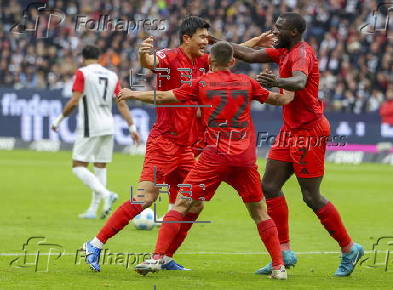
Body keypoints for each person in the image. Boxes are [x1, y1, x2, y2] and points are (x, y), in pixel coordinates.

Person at [81, 16, 271, 272]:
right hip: (165, 142)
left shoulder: (205, 61)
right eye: (202, 37)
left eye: (207, 38)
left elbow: (225, 52)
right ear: (186, 38)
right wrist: (143, 56)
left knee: (195, 202)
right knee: (145, 198)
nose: (206, 42)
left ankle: (166, 256)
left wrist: (256, 42)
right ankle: (95, 243)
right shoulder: (169, 57)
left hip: (188, 148)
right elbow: (151, 62)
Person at [118, 41, 295, 280]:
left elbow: (166, 96)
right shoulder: (247, 82)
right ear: (233, 62)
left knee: (181, 204)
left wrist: (133, 93)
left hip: (214, 157)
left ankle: (158, 258)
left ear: (209, 61)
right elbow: (281, 100)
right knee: (260, 212)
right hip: (244, 158)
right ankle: (278, 267)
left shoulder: (200, 82)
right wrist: (289, 82)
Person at [212, 12, 364, 276]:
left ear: (293, 32)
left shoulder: (301, 54)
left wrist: (276, 82)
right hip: (290, 130)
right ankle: (284, 252)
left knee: (311, 197)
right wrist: (212, 40)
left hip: (310, 131)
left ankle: (349, 248)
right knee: (269, 187)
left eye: (279, 27)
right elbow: (246, 54)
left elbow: (300, 81)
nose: (274, 30)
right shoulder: (282, 51)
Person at [51, 45, 140, 219]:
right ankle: (93, 209)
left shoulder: (82, 73)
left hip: (89, 126)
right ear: (99, 58)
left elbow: (75, 101)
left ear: (83, 58)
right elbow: (121, 103)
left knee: (78, 166)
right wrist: (132, 127)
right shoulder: (112, 75)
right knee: (100, 167)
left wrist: (58, 120)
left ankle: (106, 194)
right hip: (108, 125)